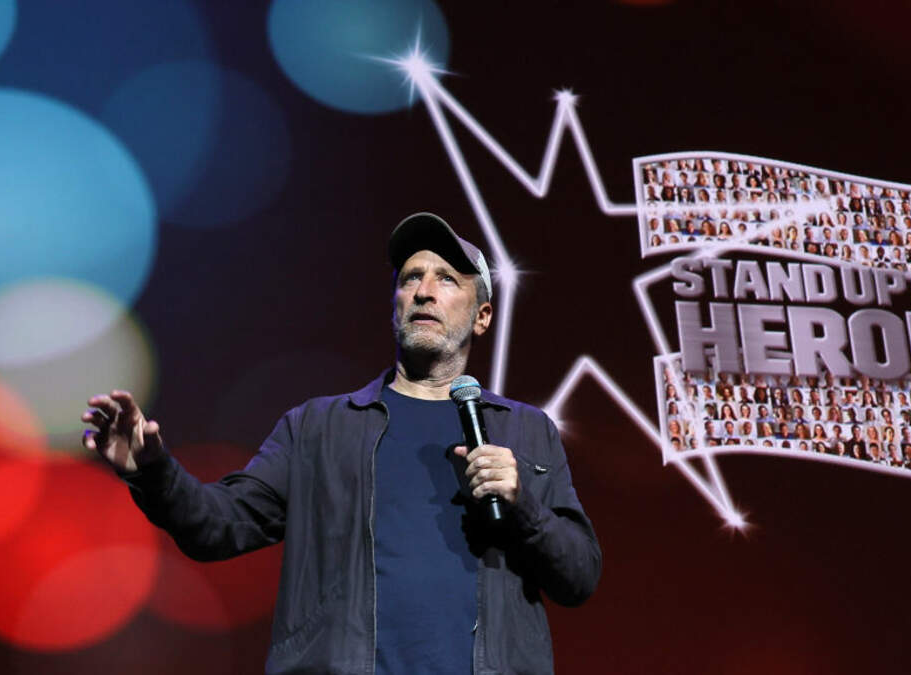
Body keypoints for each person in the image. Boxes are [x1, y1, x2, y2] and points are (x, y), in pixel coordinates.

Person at [80, 213, 601, 674]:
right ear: (394, 304)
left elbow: (578, 576)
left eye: (446, 278)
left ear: (482, 316)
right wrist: (152, 470)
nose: (424, 291)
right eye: (411, 277)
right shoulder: (317, 428)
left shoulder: (525, 430)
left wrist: (522, 505)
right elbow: (218, 526)